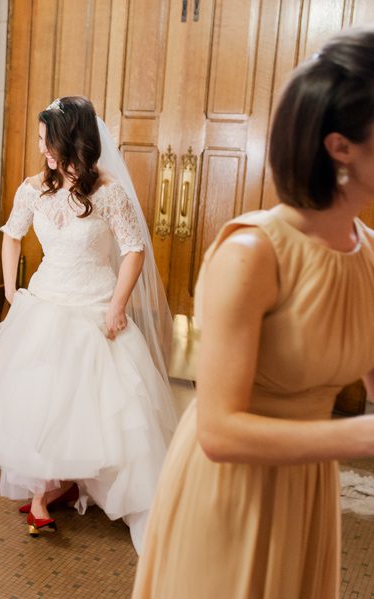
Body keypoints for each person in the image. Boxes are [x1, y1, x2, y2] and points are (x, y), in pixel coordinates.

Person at [132, 25, 374, 599]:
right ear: (341, 146)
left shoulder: (370, 255)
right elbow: (218, 430)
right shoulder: (253, 253)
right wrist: (360, 437)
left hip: (306, 488)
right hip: (228, 491)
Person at [0, 96, 178, 551]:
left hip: (94, 305)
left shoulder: (109, 191)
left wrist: (117, 305)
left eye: (45, 138)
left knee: (101, 405)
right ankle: (41, 493)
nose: (40, 148)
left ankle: (80, 484)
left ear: (71, 139)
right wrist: (13, 290)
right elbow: (11, 234)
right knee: (42, 399)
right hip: (46, 302)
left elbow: (134, 250)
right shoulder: (32, 188)